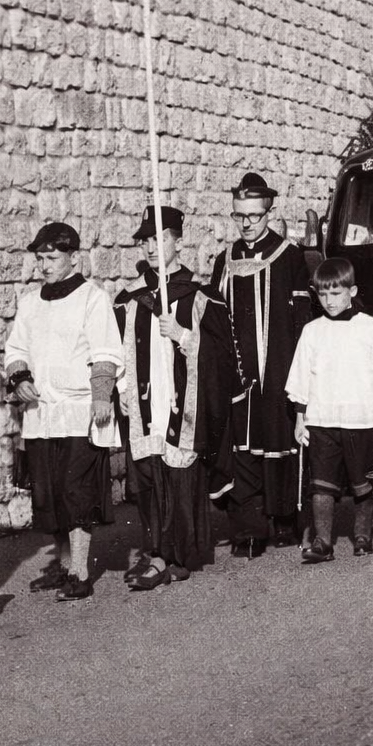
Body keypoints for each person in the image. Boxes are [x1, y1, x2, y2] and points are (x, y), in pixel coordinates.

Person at [116, 206, 236, 590]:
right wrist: (121, 389)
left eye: (160, 238)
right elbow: (117, 349)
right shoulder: (130, 297)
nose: (152, 247)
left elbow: (220, 356)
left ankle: (178, 555)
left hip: (181, 399)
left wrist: (184, 334)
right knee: (150, 476)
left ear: (178, 241)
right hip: (145, 399)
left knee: (181, 477)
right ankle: (156, 554)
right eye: (147, 240)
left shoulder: (199, 296)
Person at [3, 223, 121, 601]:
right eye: (40, 259)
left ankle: (81, 572)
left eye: (52, 258)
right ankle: (65, 565)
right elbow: (15, 349)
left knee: (76, 492)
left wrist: (102, 395)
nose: (45, 266)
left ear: (73, 258)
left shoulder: (92, 298)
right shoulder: (30, 303)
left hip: (77, 411)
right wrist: (19, 378)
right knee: (49, 494)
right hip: (40, 414)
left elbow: (106, 351)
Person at [210, 172, 314, 558]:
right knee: (242, 448)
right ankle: (249, 529)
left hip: (279, 369)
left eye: (254, 215)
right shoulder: (226, 259)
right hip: (239, 373)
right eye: (239, 216)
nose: (247, 224)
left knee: (279, 442)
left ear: (269, 212)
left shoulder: (288, 257)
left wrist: (299, 373)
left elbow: (303, 319)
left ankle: (284, 520)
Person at [286, 258, 373, 562]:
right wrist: (301, 418)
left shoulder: (370, 329)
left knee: (362, 480)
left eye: (337, 294)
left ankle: (363, 536)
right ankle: (322, 542)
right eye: (323, 295)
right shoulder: (312, 331)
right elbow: (302, 375)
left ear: (352, 291)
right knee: (322, 482)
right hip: (322, 417)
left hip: (361, 418)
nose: (329, 301)